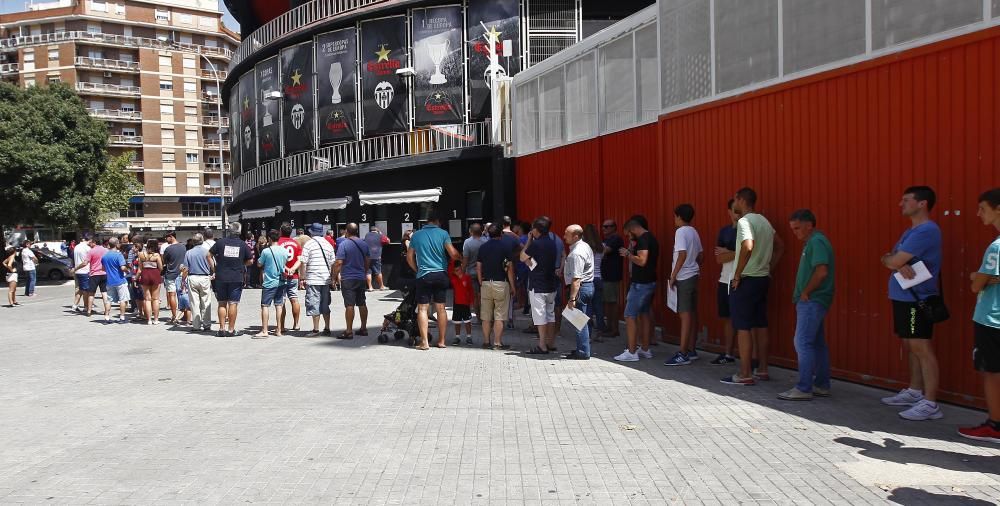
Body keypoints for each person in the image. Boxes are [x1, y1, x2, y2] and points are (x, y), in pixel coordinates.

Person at [879, 186, 944, 420]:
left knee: (921, 348)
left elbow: (893, 258)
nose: (901, 204)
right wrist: (893, 260)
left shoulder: (926, 231)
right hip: (904, 297)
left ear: (922, 203)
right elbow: (887, 257)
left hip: (918, 299)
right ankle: (915, 391)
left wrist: (894, 260)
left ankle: (930, 403)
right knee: (911, 345)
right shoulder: (911, 231)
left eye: (906, 200)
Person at [722, 188, 784, 385]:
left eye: (736, 201)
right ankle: (763, 370)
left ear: (741, 200)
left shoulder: (745, 221)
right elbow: (780, 245)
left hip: (747, 279)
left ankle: (745, 373)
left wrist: (738, 274)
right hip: (762, 278)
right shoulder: (764, 221)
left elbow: (748, 245)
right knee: (761, 324)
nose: (735, 205)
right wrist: (768, 267)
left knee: (742, 326)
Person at [778, 210, 835, 401]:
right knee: (816, 343)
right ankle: (821, 384)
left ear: (809, 225)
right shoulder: (814, 241)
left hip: (812, 300)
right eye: (793, 229)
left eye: (797, 228)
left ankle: (804, 387)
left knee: (802, 342)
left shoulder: (816, 241)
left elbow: (821, 271)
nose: (795, 233)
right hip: (814, 299)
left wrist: (806, 292)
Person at [959, 188, 1000, 442]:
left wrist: (979, 277)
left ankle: (995, 425)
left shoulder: (995, 247)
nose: (978, 214)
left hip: (992, 318)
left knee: (992, 373)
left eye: (982, 208)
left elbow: (976, 284)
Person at [407, 207, 461, 349]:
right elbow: (453, 254)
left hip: (424, 275)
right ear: (438, 221)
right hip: (441, 275)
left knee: (423, 309)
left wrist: (416, 269)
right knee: (441, 308)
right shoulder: (443, 233)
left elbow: (409, 257)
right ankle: (441, 341)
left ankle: (424, 342)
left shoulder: (416, 235)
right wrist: (460, 259)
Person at [614, 216, 659, 362]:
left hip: (641, 284)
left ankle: (632, 352)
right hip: (649, 282)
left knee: (629, 315)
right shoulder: (652, 238)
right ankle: (645, 349)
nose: (628, 236)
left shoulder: (643, 240)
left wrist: (628, 254)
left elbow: (642, 260)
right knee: (644, 314)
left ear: (633, 229)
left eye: (628, 233)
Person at [665, 204, 704, 366]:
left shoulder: (680, 232)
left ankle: (683, 353)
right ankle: (691, 349)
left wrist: (673, 276)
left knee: (685, 314)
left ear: (679, 216)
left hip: (684, 277)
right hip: (693, 274)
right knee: (692, 314)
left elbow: (682, 254)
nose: (674, 220)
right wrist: (694, 266)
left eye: (675, 217)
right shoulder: (694, 231)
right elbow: (701, 255)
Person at [521, 216, 559, 355]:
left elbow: (522, 256)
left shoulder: (536, 244)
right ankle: (550, 342)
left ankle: (542, 345)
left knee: (539, 316)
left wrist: (529, 241)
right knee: (550, 314)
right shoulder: (552, 242)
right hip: (551, 283)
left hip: (538, 284)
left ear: (536, 230)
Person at [209, 222, 254, 337]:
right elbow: (250, 260)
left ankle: (221, 329)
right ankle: (231, 330)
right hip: (236, 277)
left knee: (222, 303)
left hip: (221, 276)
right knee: (233, 303)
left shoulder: (220, 242)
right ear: (239, 231)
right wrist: (241, 263)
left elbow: (208, 255)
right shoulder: (243, 245)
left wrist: (214, 268)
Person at [711, 200, 741, 365]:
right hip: (724, 279)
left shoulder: (746, 230)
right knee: (727, 318)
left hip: (741, 279)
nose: (737, 213)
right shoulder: (725, 232)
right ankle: (728, 353)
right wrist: (737, 253)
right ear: (729, 212)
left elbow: (749, 252)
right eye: (734, 210)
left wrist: (730, 252)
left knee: (743, 319)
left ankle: (750, 358)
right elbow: (718, 258)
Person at [477, 224, 516, 349]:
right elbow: (509, 268)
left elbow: (478, 266)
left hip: (486, 283)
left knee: (486, 315)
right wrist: (513, 286)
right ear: (501, 234)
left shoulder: (482, 247)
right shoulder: (505, 247)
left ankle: (486, 341)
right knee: (499, 314)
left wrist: (480, 281)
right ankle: (497, 342)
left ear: (488, 233)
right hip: (501, 282)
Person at [563, 224, 595, 360]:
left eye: (567, 234)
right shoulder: (585, 246)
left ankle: (583, 351)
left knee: (579, 322)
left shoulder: (577, 253)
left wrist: (572, 298)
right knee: (584, 320)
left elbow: (576, 278)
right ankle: (583, 347)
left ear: (576, 236)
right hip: (587, 286)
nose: (564, 237)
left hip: (581, 288)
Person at [333, 223, 371, 339]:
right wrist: (364, 272)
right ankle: (364, 328)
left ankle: (349, 331)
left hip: (348, 278)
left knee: (349, 304)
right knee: (362, 302)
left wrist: (334, 277)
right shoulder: (364, 244)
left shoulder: (344, 244)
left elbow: (339, 262)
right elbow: (368, 260)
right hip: (360, 277)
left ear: (347, 232)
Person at [300, 223, 336, 337]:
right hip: (326, 279)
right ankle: (327, 328)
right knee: (325, 304)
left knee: (314, 303)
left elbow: (303, 262)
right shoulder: (328, 244)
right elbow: (333, 263)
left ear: (311, 232)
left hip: (313, 278)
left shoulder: (308, 244)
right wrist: (333, 278)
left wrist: (302, 278)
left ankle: (315, 330)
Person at [255, 229, 289, 339]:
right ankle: (279, 329)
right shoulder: (284, 250)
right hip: (281, 281)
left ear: (269, 238)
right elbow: (285, 262)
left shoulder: (266, 251)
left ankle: (265, 330)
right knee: (279, 305)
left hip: (269, 282)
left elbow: (259, 264)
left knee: (265, 306)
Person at [182, 233, 213, 332]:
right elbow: (212, 264)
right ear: (202, 241)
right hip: (204, 277)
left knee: (194, 302)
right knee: (206, 301)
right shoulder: (207, 251)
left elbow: (186, 268)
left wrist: (183, 279)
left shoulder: (189, 253)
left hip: (193, 277)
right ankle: (207, 324)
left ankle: (196, 325)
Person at [601, 219, 625, 338]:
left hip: (612, 275)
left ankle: (614, 329)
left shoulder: (616, 239)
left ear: (614, 228)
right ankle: (609, 326)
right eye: (603, 226)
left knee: (612, 302)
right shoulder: (606, 239)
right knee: (607, 302)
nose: (604, 229)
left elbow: (605, 250)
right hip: (606, 275)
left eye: (607, 226)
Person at [277, 225, 303, 332]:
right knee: (294, 299)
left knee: (281, 300)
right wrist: (293, 268)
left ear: (281, 231)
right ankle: (296, 324)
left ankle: (282, 326)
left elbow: (278, 260)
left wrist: (286, 268)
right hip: (294, 275)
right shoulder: (296, 243)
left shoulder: (278, 243)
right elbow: (300, 259)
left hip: (282, 275)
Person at [101, 237, 130, 323]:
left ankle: (106, 317)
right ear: (117, 244)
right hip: (120, 280)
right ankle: (122, 317)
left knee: (108, 300)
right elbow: (122, 267)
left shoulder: (104, 256)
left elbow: (103, 269)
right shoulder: (119, 255)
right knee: (123, 299)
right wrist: (127, 271)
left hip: (109, 281)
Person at [583, 225, 604, 339]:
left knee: (588, 308)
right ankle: (600, 333)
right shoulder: (602, 247)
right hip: (599, 278)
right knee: (599, 307)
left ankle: (588, 334)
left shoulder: (585, 248)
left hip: (588, 278)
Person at [77, 238, 108, 317]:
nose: (89, 244)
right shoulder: (105, 250)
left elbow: (85, 263)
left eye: (90, 243)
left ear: (94, 242)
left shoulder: (91, 251)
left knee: (91, 293)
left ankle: (89, 311)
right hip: (104, 273)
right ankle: (106, 310)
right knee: (104, 293)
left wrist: (76, 268)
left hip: (94, 274)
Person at [462, 223, 487, 317]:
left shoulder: (467, 242)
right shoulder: (486, 241)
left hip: (471, 273)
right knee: (485, 296)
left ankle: (479, 317)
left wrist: (462, 273)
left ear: (470, 231)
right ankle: (486, 315)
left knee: (475, 296)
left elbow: (465, 259)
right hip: (484, 272)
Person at [162, 232, 187, 325]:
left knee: (172, 295)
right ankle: (185, 315)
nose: (165, 239)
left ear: (171, 237)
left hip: (171, 274)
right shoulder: (183, 247)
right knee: (182, 295)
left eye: (166, 237)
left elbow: (164, 261)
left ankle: (174, 316)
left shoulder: (168, 249)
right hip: (181, 274)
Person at [137, 238, 164, 325]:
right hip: (155, 275)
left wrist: (136, 278)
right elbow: (160, 268)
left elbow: (140, 269)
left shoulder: (141, 254)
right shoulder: (156, 255)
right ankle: (156, 319)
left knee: (147, 299)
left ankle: (148, 320)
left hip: (145, 275)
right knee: (155, 299)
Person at [449, 260, 475, 346]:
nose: (458, 271)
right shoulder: (453, 278)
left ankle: (469, 337)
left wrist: (471, 301)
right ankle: (457, 337)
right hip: (456, 303)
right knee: (457, 322)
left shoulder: (467, 277)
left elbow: (471, 290)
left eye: (459, 269)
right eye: (456, 270)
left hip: (465, 303)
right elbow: (449, 270)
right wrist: (454, 259)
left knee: (467, 321)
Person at [72, 234, 92, 312]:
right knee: (85, 290)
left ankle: (75, 305)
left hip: (77, 271)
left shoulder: (76, 247)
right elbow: (87, 261)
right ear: (89, 240)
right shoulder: (87, 248)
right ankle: (86, 307)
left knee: (79, 289)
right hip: (85, 271)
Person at [364, 226, 387, 291]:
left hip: (367, 257)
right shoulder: (379, 235)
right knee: (378, 271)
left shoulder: (366, 235)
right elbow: (388, 240)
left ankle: (370, 287)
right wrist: (381, 233)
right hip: (377, 256)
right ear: (377, 230)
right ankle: (381, 286)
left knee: (368, 272)